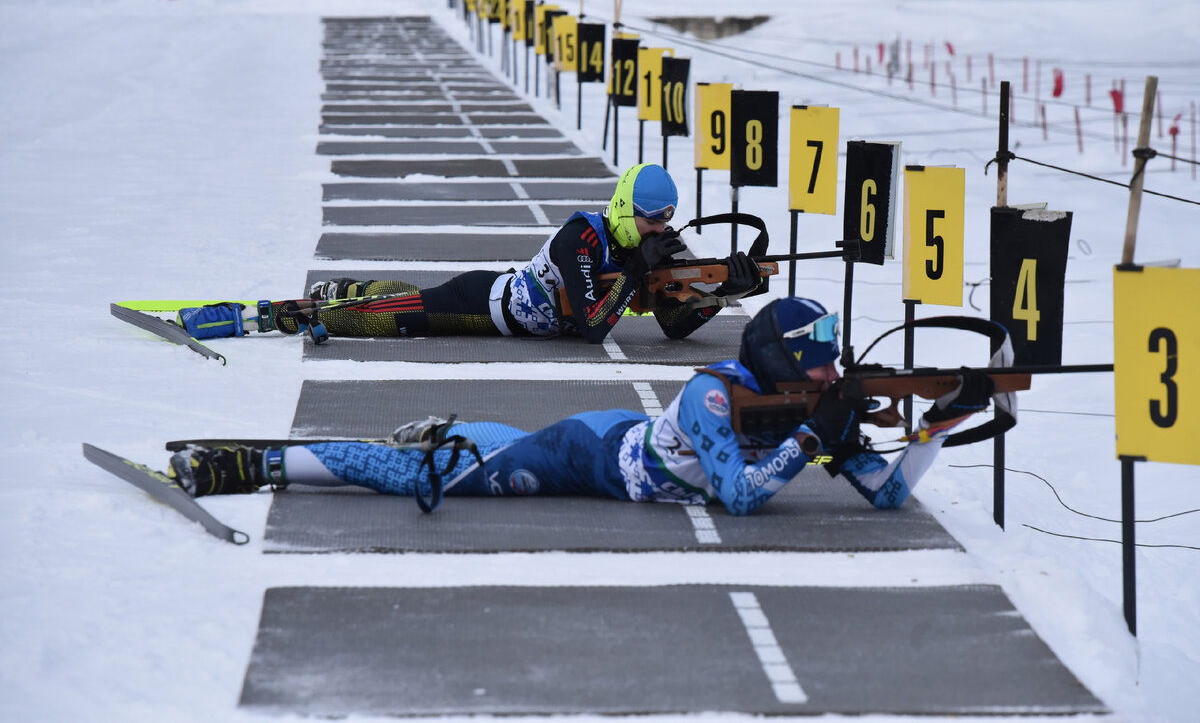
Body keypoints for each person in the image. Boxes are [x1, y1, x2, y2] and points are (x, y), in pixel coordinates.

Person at [170, 297, 997, 516]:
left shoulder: (816, 405)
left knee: (488, 445)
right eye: (819, 366)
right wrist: (812, 436)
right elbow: (740, 498)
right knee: (436, 479)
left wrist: (937, 423)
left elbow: (888, 493)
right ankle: (257, 462)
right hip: (593, 455)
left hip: (614, 442)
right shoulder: (712, 394)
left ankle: (452, 430)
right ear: (783, 361)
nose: (832, 377)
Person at [257, 162, 761, 343]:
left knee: (411, 299)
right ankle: (302, 314)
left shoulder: (652, 251)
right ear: (627, 210)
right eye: (652, 220)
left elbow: (673, 325)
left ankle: (352, 288)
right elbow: (593, 327)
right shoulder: (580, 238)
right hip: (485, 305)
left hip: (503, 303)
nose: (661, 231)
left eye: (667, 221)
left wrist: (723, 294)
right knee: (390, 319)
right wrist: (634, 270)